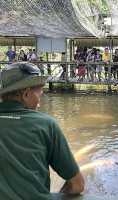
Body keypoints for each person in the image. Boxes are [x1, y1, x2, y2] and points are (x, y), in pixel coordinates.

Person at [0, 62, 84, 199]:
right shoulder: (46, 124)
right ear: (26, 94)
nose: (42, 93)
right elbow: (77, 185)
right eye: (39, 89)